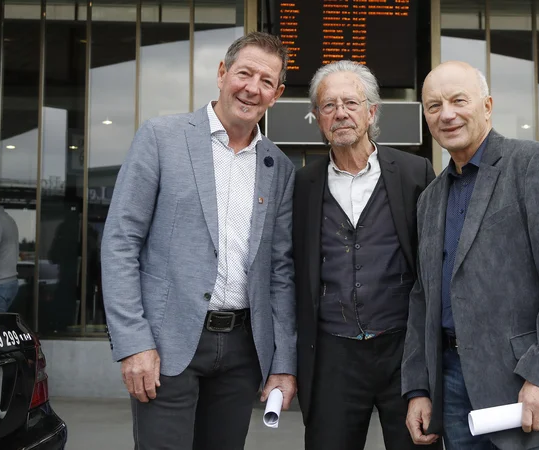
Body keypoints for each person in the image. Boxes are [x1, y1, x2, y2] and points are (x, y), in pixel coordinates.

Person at [101, 32, 296, 450]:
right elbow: (120, 243)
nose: (252, 88)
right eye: (245, 73)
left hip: (243, 352)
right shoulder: (160, 137)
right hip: (167, 347)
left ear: (276, 94)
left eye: (266, 81)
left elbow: (280, 271)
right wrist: (134, 343)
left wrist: (283, 363)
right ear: (223, 73)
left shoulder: (277, 166)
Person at [402, 61, 539, 450]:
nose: (447, 114)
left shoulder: (532, 164)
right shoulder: (429, 200)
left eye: (459, 100)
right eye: (434, 105)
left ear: (487, 106)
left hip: (524, 382)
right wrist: (419, 388)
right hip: (453, 382)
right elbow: (422, 299)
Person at [293, 60, 437, 450]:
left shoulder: (415, 173)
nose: (340, 113)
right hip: (332, 356)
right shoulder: (302, 184)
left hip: (402, 350)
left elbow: (435, 262)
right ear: (317, 118)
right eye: (328, 105)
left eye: (351, 103)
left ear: (372, 112)